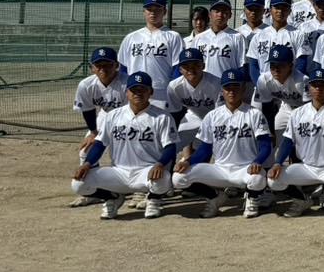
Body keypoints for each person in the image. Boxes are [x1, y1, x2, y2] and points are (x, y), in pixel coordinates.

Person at [69, 71, 176, 219]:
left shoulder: (162, 117)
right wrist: (87, 163)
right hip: (118, 172)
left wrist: (160, 164)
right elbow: (100, 144)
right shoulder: (113, 115)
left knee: (163, 178)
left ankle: (153, 199)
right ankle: (111, 197)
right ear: (127, 92)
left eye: (142, 90)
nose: (138, 93)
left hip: (146, 172)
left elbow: (170, 147)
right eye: (134, 90)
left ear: (150, 92)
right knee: (78, 184)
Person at [171, 69, 272, 218]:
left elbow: (265, 146)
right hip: (219, 169)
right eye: (227, 88)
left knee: (257, 178)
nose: (231, 91)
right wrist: (188, 161)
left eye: (235, 87)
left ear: (243, 88)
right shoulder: (212, 116)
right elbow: (205, 150)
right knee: (178, 178)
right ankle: (214, 197)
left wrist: (257, 161)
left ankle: (252, 198)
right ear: (222, 90)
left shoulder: (254, 114)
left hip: (245, 169)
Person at [268, 68, 324, 218]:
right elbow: (288, 141)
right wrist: (277, 163)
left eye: (322, 85)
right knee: (273, 180)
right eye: (314, 85)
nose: (318, 88)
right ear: (308, 87)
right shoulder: (297, 113)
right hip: (306, 167)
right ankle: (302, 200)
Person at [117, 0, 185, 111]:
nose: (153, 13)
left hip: (161, 92)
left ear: (164, 11)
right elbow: (123, 68)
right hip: (135, 91)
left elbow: (177, 68)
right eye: (149, 9)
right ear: (144, 12)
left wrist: (171, 91)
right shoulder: (131, 37)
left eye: (157, 9)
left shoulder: (173, 37)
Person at [165, 47, 223, 158]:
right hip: (194, 116)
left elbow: (220, 114)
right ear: (180, 69)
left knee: (212, 147)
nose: (191, 69)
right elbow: (174, 115)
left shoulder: (216, 83)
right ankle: (173, 169)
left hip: (215, 119)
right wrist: (171, 135)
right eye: (186, 66)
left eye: (196, 65)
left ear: (203, 66)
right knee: (172, 146)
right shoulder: (174, 86)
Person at [72, 47, 126, 162]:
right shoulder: (86, 85)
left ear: (116, 66)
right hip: (104, 116)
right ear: (92, 68)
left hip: (125, 119)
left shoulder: (126, 84)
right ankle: (91, 179)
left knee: (119, 156)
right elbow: (87, 109)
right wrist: (93, 132)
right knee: (86, 152)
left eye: (107, 65)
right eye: (98, 65)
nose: (103, 69)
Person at [245, 0, 305, 84]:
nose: (280, 11)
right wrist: (260, 85)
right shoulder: (258, 36)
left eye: (284, 8)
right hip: (264, 87)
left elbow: (301, 62)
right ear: (270, 10)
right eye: (277, 7)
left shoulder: (298, 34)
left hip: (289, 89)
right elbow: (253, 65)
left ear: (289, 11)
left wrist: (290, 84)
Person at [191, 0, 246, 80]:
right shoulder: (199, 38)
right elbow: (192, 64)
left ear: (230, 15)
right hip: (203, 86)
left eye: (224, 11)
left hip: (226, 87)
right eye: (217, 11)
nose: (220, 14)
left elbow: (241, 66)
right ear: (210, 15)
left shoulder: (237, 37)